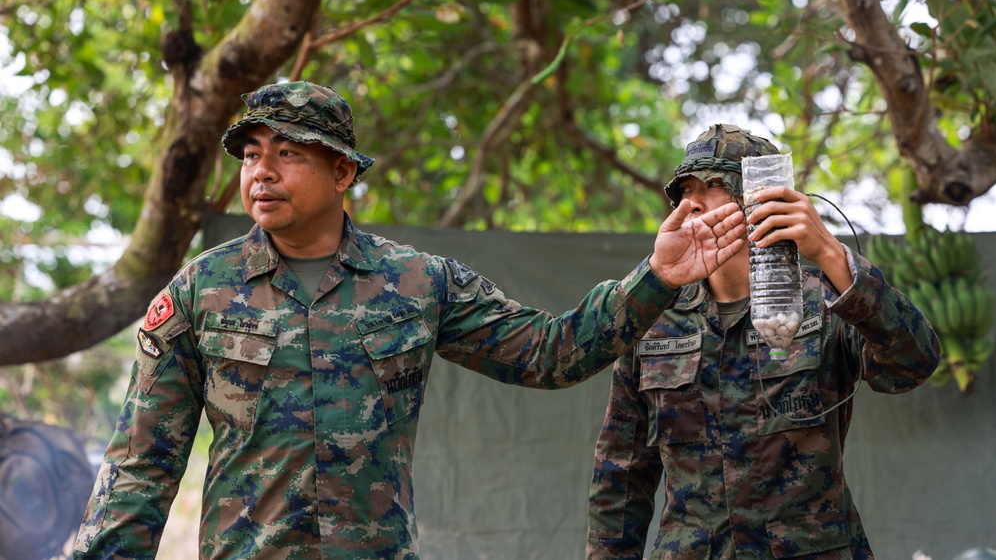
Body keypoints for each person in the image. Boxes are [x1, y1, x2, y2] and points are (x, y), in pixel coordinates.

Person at [72, 81, 749, 559]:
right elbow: (140, 467)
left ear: (342, 173)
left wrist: (657, 276)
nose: (261, 172)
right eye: (251, 154)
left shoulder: (419, 282)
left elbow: (552, 353)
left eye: (288, 153)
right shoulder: (200, 291)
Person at [585, 124, 941, 559]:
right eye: (684, 189)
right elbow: (620, 477)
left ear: (762, 198)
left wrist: (830, 252)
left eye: (714, 185)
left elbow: (913, 364)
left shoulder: (826, 302)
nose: (692, 201)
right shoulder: (655, 317)